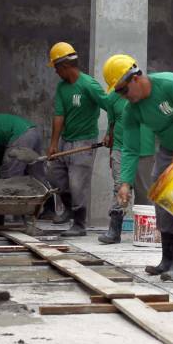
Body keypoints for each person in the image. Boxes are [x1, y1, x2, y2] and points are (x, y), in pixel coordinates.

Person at [110, 56, 173, 281]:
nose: (123, 97)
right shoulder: (132, 110)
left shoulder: (171, 85)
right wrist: (125, 183)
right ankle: (166, 260)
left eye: (124, 90)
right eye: (118, 93)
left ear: (136, 78)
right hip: (168, 148)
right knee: (161, 195)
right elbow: (129, 148)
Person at [46, 41, 108, 237]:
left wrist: (111, 131)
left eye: (56, 68)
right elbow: (59, 116)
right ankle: (68, 212)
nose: (55, 72)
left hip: (84, 142)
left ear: (64, 66)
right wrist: (54, 144)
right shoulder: (62, 88)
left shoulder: (88, 85)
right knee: (56, 177)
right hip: (66, 140)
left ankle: (79, 225)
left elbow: (111, 107)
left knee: (77, 185)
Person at [98, 54, 156, 245]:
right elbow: (113, 120)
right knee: (119, 187)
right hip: (121, 148)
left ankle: (145, 232)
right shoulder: (113, 98)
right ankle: (114, 231)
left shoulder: (147, 95)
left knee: (144, 191)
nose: (121, 92)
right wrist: (109, 134)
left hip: (144, 149)